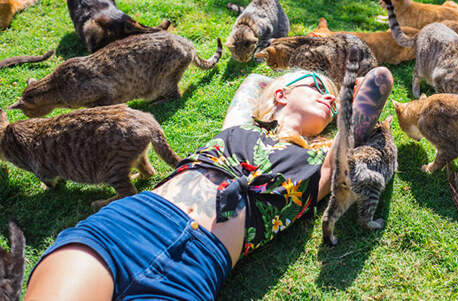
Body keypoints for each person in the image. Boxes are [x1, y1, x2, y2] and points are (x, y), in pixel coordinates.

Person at [25, 67, 393, 301]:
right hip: (129, 226)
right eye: (316, 87)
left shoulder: (321, 166)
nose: (328, 95)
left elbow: (380, 81)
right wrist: (281, 91)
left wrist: (348, 96)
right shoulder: (239, 125)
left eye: (331, 95)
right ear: (281, 94)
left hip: (196, 266)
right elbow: (255, 82)